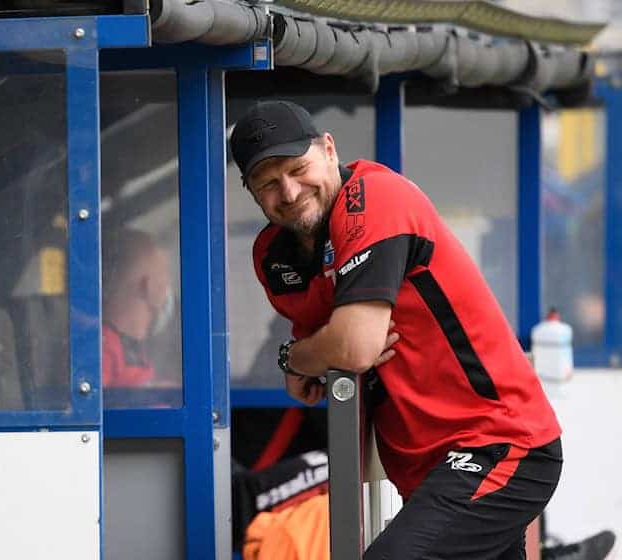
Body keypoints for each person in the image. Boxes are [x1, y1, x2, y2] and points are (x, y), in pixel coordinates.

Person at [229, 100, 563, 559]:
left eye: (297, 167)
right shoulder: (273, 256)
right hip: (427, 470)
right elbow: (325, 353)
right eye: (267, 182)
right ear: (250, 191)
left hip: (497, 443)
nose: (288, 191)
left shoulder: (375, 197)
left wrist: (297, 356)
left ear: (329, 149)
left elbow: (354, 346)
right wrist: (314, 353)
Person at [101, 228, 174, 388]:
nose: (168, 286)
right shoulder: (102, 347)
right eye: (165, 273)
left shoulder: (134, 347)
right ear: (148, 286)